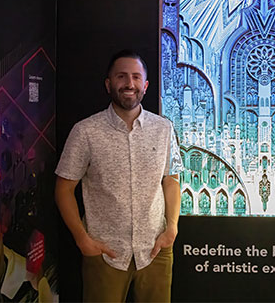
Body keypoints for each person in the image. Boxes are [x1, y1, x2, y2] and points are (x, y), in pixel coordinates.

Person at [55, 49, 182, 302]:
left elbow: (171, 180)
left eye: (136, 77)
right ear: (108, 84)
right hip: (105, 253)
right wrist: (83, 240)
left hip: (155, 250)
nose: (129, 84)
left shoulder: (163, 128)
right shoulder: (86, 132)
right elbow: (63, 189)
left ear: (145, 85)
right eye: (121, 77)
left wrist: (172, 229)